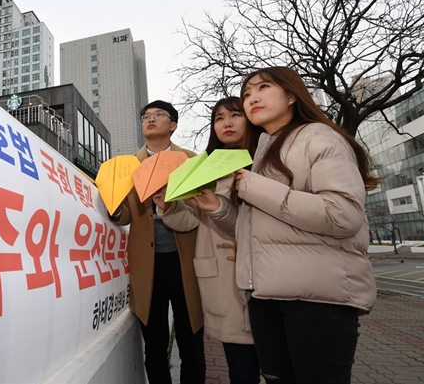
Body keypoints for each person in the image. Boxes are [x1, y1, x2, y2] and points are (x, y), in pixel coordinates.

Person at [192, 67, 378, 384]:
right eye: (247, 93)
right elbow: (255, 229)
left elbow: (342, 215)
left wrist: (253, 187)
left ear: (292, 95)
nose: (252, 98)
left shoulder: (319, 137)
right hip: (266, 296)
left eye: (263, 87)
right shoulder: (263, 150)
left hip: (317, 300)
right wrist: (218, 208)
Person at [153, 96, 260, 384]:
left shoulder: (267, 158)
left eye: (234, 115)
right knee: (240, 368)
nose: (226, 123)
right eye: (219, 118)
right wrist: (169, 206)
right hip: (222, 281)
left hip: (265, 276)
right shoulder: (205, 166)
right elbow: (191, 221)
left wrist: (217, 207)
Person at [110, 100, 206, 384]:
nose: (150, 119)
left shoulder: (191, 161)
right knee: (154, 346)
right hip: (147, 267)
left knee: (192, 344)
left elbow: (202, 210)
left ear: (173, 125)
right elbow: (124, 214)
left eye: (158, 115)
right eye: (145, 116)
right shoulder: (127, 167)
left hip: (186, 261)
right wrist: (114, 209)